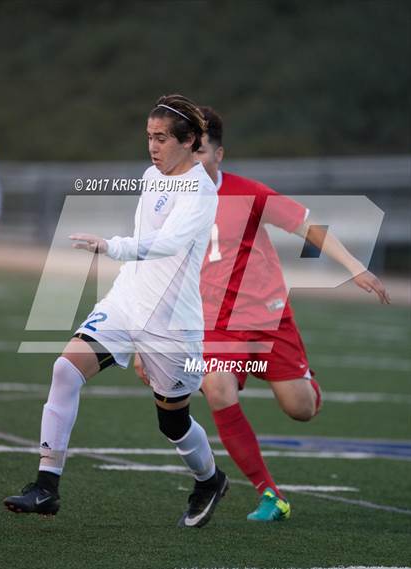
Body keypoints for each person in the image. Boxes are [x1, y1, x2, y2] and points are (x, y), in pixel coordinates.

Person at [134, 106, 390, 523]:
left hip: (269, 319)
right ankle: (270, 494)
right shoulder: (168, 204)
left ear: (218, 155)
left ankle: (306, 382)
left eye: (200, 155)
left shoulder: (248, 193)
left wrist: (355, 267)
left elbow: (310, 228)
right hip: (215, 325)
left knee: (300, 409)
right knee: (216, 389)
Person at [4, 94, 229, 529]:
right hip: (127, 304)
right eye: (148, 137)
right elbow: (148, 239)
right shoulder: (151, 176)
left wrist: (112, 246)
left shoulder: (202, 192)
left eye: (161, 138)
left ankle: (211, 479)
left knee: (174, 424)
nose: (152, 146)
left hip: (170, 323)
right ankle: (46, 486)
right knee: (65, 370)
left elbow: (168, 244)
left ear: (187, 142)